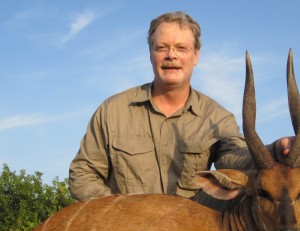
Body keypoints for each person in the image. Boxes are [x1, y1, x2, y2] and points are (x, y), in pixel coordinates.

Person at [69, 11, 294, 208]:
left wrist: (274, 150)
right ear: (151, 53)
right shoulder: (113, 111)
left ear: (196, 55)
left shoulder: (217, 117)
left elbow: (235, 158)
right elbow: (83, 173)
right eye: (162, 48)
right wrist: (120, 214)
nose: (171, 56)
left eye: (181, 48)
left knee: (252, 190)